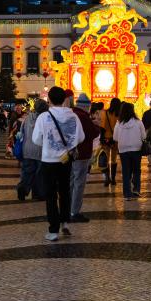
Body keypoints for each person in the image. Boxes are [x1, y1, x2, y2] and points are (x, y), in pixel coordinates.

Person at [32, 86, 84, 241]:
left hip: (48, 160)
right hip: (65, 160)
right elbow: (81, 137)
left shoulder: (43, 117)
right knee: (65, 191)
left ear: (49, 99)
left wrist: (48, 144)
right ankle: (65, 222)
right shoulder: (73, 116)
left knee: (50, 195)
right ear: (64, 99)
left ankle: (53, 230)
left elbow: (36, 139)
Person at [69, 93, 99, 222]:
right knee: (79, 183)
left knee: (71, 182)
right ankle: (75, 212)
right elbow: (92, 133)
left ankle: (68, 209)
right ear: (86, 106)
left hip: (70, 154)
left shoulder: (71, 114)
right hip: (82, 154)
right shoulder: (83, 117)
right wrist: (96, 125)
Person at [113, 102, 146, 199]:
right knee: (136, 170)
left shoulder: (119, 123)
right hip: (136, 149)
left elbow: (115, 137)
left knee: (126, 172)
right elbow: (144, 136)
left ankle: (127, 194)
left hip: (123, 150)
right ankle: (136, 190)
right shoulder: (138, 122)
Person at [17, 100, 47, 201]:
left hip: (27, 149)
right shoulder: (44, 119)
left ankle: (22, 188)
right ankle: (38, 194)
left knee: (27, 172)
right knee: (39, 174)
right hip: (39, 149)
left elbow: (21, 132)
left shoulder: (27, 118)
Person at [99, 97, 121, 187]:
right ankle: (113, 179)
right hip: (116, 139)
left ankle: (107, 178)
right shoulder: (119, 115)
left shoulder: (105, 113)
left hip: (106, 139)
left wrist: (101, 138)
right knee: (114, 159)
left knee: (106, 159)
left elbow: (102, 127)